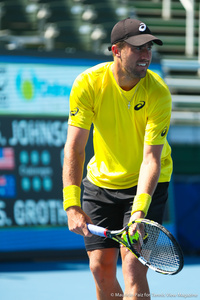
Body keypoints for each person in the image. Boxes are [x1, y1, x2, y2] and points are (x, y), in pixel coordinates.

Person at [62, 18, 172, 300]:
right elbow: (75, 147)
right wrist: (72, 204)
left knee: (133, 268)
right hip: (101, 184)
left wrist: (139, 213)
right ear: (116, 50)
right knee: (100, 269)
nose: (145, 54)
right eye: (137, 48)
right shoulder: (88, 84)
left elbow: (151, 159)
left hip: (146, 184)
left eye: (148, 47)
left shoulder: (158, 93)